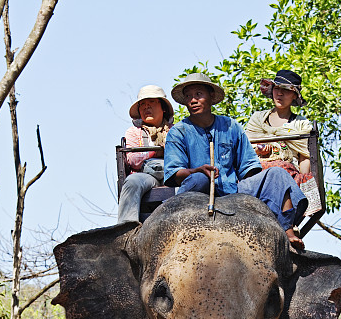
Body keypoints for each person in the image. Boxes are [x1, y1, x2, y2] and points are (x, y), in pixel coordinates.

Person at [163, 73, 308, 248]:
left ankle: (287, 228)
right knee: (200, 179)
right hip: (197, 191)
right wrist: (197, 171)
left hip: (233, 190)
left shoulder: (230, 126)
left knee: (277, 173)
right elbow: (174, 173)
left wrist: (256, 184)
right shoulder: (178, 132)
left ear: (211, 97)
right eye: (188, 96)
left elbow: (248, 167)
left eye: (198, 94)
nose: (192, 100)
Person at [118, 85, 174, 224]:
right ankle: (125, 229)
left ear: (163, 107)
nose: (146, 107)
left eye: (151, 103)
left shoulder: (176, 130)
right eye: (142, 104)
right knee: (132, 182)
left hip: (173, 173)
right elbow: (133, 160)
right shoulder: (134, 132)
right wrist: (156, 151)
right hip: (147, 175)